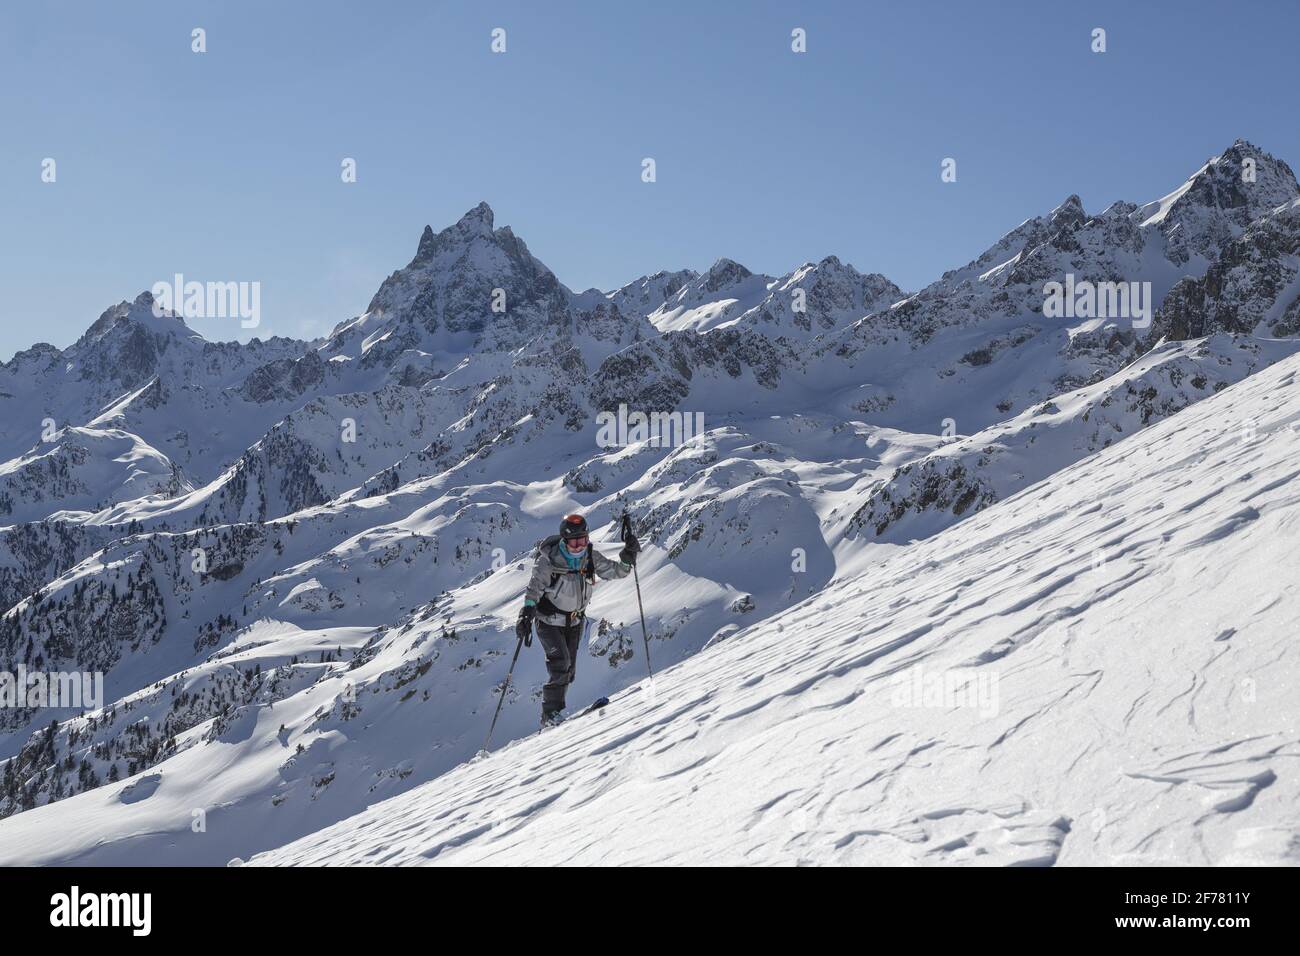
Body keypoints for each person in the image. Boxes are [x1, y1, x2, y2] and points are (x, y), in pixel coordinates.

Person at [516, 513, 639, 727]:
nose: (579, 545)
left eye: (583, 540)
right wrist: (526, 613)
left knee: (569, 671)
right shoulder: (549, 560)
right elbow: (534, 588)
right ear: (564, 540)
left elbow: (617, 571)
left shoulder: (590, 557)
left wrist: (628, 558)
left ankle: (556, 714)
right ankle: (550, 715)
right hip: (548, 621)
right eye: (574, 541)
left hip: (574, 622)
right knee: (560, 664)